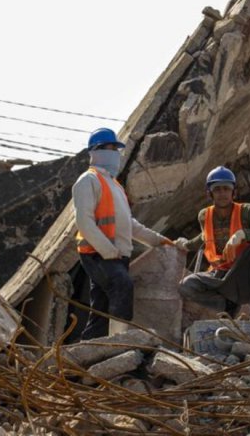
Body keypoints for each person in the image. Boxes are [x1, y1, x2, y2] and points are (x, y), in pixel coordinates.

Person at [73, 127, 173, 340]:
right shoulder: (87, 181)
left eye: (116, 149)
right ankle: (120, 342)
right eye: (111, 148)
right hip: (98, 254)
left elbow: (129, 224)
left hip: (116, 255)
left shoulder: (115, 185)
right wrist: (108, 251)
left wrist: (157, 240)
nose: (115, 154)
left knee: (101, 306)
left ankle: (87, 351)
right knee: (122, 285)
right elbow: (84, 222)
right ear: (97, 151)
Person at [175, 166, 250, 321]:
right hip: (219, 275)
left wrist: (242, 234)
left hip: (244, 273)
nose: (222, 193)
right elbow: (205, 237)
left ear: (234, 192)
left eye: (226, 189)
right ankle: (227, 304)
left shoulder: (247, 211)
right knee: (186, 286)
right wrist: (186, 245)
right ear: (209, 193)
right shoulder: (204, 216)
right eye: (217, 189)